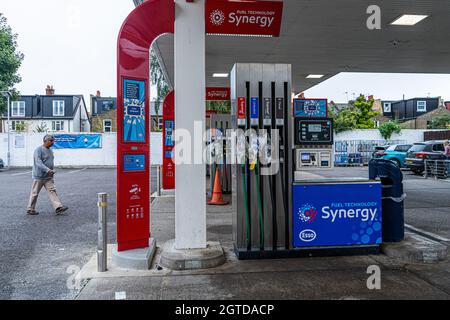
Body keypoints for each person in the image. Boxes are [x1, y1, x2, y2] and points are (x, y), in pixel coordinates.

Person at [27, 135, 68, 216]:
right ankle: (30, 209)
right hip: (39, 176)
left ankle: (58, 207)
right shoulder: (38, 150)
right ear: (45, 141)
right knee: (35, 193)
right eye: (51, 140)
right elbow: (38, 162)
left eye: (53, 140)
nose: (53, 142)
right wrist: (48, 170)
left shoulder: (50, 150)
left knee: (52, 191)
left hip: (48, 177)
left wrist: (50, 172)